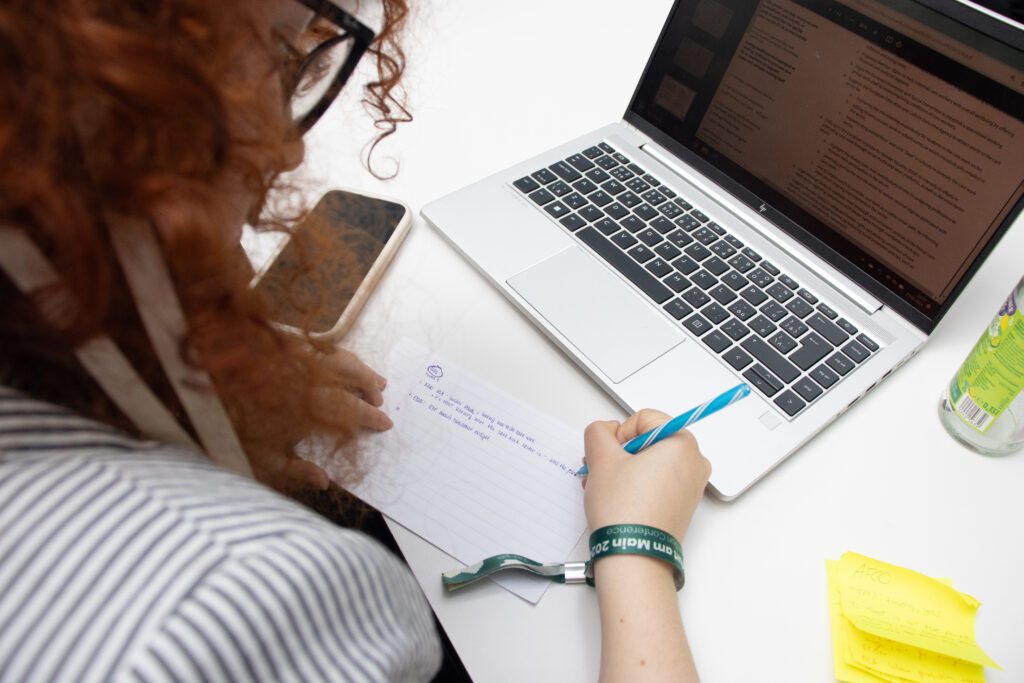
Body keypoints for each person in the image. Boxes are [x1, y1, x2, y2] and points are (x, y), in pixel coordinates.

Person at [0, 1, 710, 681]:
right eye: (283, 54)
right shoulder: (232, 603)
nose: (289, 143)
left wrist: (205, 384)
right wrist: (638, 549)